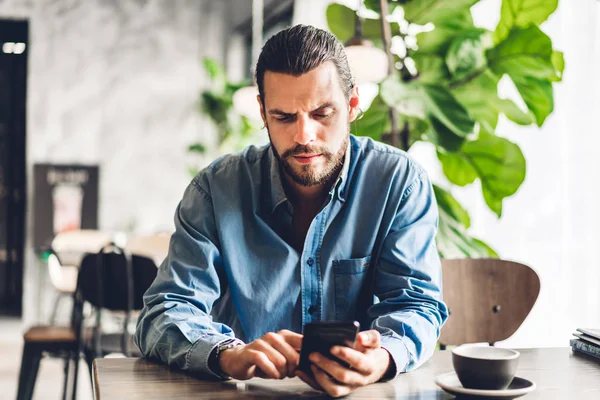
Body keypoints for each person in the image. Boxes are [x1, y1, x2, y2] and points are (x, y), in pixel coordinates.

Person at [134, 24, 448, 398]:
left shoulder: (398, 181)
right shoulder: (215, 191)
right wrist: (226, 355)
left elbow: (417, 304)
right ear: (263, 113)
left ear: (352, 106)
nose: (304, 136)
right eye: (284, 117)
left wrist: (381, 357)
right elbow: (165, 311)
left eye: (322, 113)